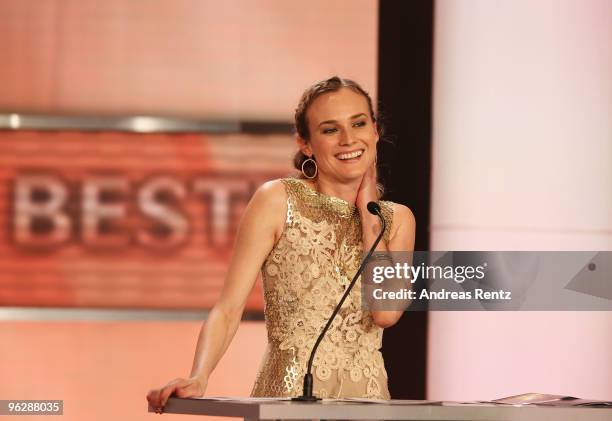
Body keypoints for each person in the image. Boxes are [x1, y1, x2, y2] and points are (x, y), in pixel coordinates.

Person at [146, 76, 416, 412]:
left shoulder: (398, 219)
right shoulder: (278, 199)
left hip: (368, 399)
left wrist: (369, 215)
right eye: (330, 129)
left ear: (375, 131)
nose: (349, 139)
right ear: (306, 143)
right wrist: (199, 376)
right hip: (290, 395)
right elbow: (229, 308)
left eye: (358, 123)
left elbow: (386, 313)